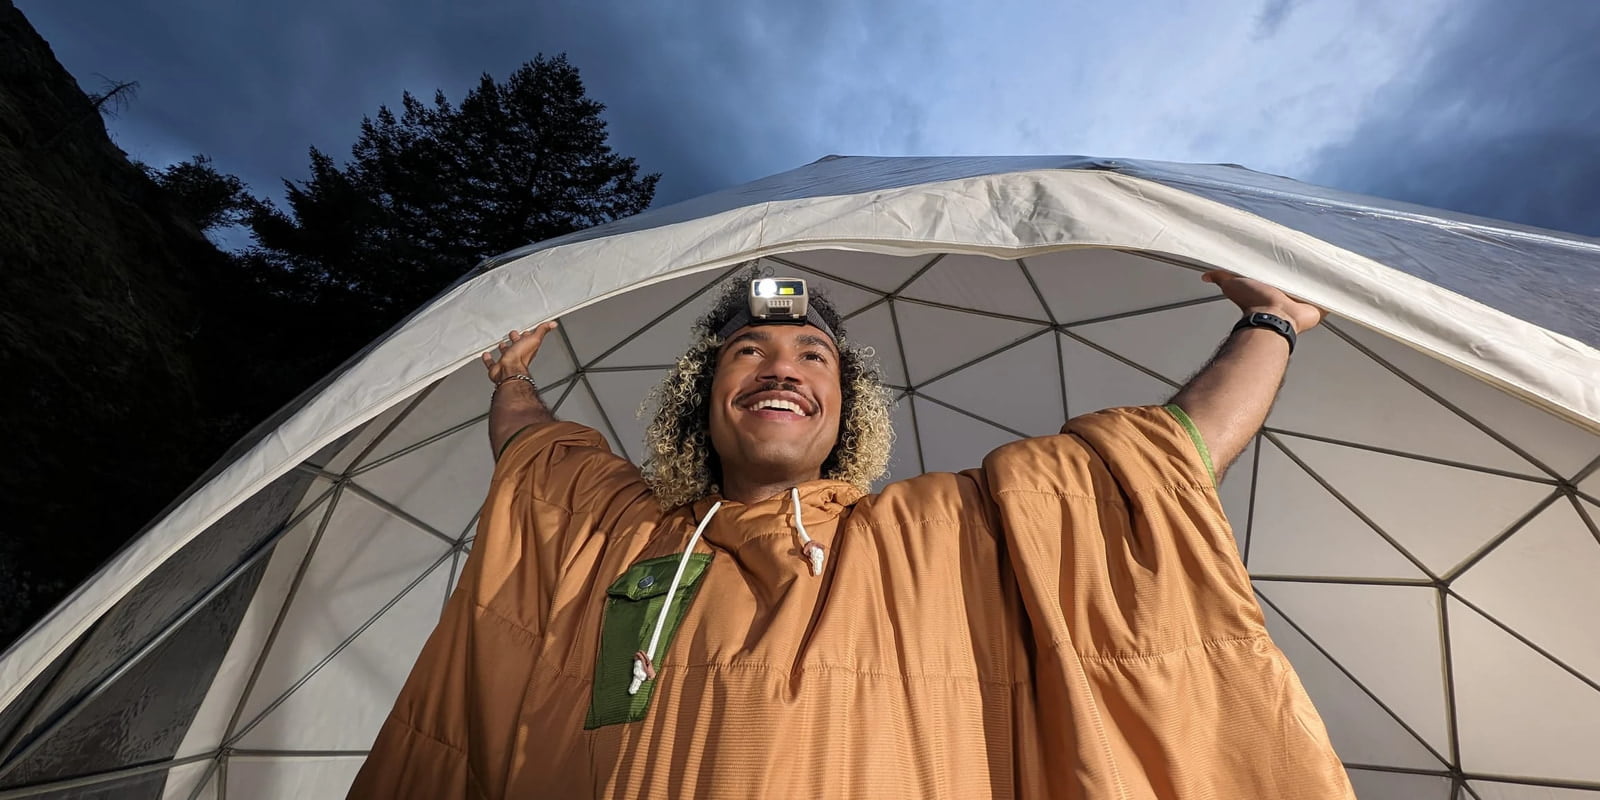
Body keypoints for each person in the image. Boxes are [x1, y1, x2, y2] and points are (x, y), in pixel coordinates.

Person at [349, 267, 1355, 799]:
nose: (781, 366)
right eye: (749, 349)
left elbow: (1146, 466)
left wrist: (1269, 321)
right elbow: (539, 459)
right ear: (706, 401)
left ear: (845, 403)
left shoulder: (938, 532)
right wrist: (510, 376)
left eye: (810, 353)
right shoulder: (624, 543)